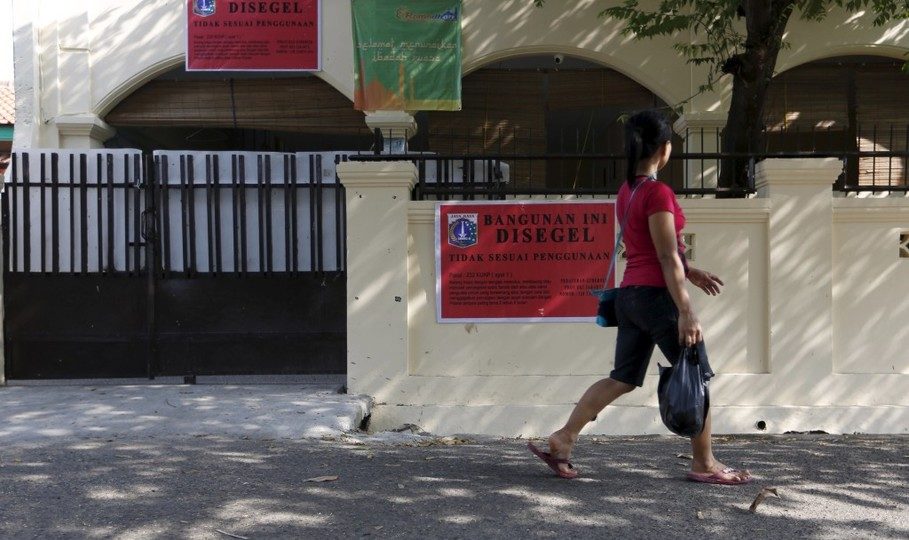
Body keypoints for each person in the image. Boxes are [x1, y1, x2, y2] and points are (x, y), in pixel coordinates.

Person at [528, 109, 752, 485]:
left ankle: (564, 438)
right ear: (664, 149)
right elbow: (664, 256)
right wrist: (686, 310)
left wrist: (691, 271)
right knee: (694, 372)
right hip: (655, 296)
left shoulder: (627, 192)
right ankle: (705, 463)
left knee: (623, 377)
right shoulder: (658, 192)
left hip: (630, 295)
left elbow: (649, 249)